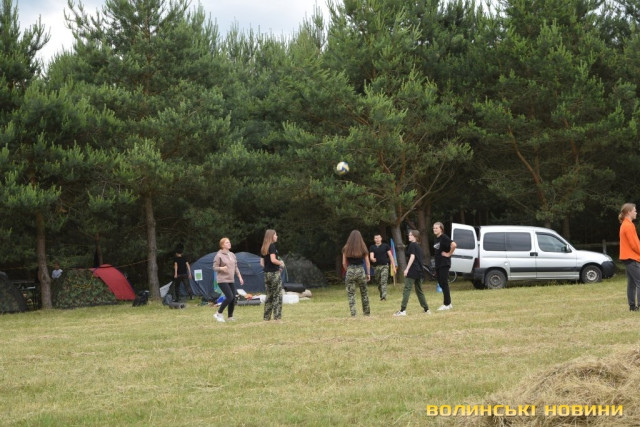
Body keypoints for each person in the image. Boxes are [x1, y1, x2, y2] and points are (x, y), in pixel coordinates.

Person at [394, 229, 430, 316]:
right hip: (419, 271)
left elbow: (412, 257)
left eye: (411, 235)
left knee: (407, 289)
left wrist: (407, 269)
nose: (409, 236)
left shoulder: (412, 245)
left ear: (415, 237)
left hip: (413, 270)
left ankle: (403, 310)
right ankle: (426, 309)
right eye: (409, 235)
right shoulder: (418, 246)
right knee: (419, 290)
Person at [212, 237, 244, 322]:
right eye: (227, 242)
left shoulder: (232, 254)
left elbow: (236, 267)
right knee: (230, 297)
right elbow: (214, 268)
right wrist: (222, 268)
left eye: (229, 242)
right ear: (222, 245)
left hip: (231, 280)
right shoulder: (218, 255)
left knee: (233, 298)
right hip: (222, 280)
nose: (229, 243)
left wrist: (240, 277)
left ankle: (230, 317)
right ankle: (218, 313)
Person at [342, 230, 371, 317]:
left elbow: (344, 263)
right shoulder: (363, 247)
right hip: (360, 270)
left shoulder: (346, 248)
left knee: (351, 293)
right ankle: (366, 312)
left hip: (350, 270)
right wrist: (368, 273)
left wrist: (348, 270)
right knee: (364, 292)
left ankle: (353, 313)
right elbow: (367, 263)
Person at [619, 203, 640, 311]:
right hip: (632, 258)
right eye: (634, 210)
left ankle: (632, 306)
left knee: (631, 283)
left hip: (627, 257)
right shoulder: (628, 225)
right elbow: (635, 244)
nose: (636, 212)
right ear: (628, 212)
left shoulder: (625, 224)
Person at [260, 229, 284, 321]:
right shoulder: (272, 246)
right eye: (275, 235)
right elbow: (273, 260)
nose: (276, 236)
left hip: (266, 274)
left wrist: (270, 267)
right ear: (271, 236)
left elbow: (262, 263)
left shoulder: (264, 247)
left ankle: (266, 318)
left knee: (269, 296)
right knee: (277, 295)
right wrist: (281, 263)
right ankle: (277, 318)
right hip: (274, 274)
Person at [433, 222, 457, 311]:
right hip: (438, 264)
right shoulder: (437, 239)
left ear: (441, 229)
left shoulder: (444, 237)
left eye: (436, 228)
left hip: (444, 263)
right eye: (434, 228)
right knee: (441, 283)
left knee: (444, 282)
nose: (434, 229)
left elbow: (454, 245)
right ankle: (449, 303)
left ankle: (446, 304)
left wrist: (449, 254)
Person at [369, 234, 396, 301]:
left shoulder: (385, 246)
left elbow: (390, 256)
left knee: (383, 281)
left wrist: (394, 266)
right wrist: (372, 259)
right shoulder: (372, 247)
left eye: (378, 238)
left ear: (381, 238)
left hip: (384, 266)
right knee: (379, 283)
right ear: (374, 239)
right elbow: (371, 256)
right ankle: (381, 295)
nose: (377, 239)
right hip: (376, 267)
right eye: (376, 238)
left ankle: (384, 297)